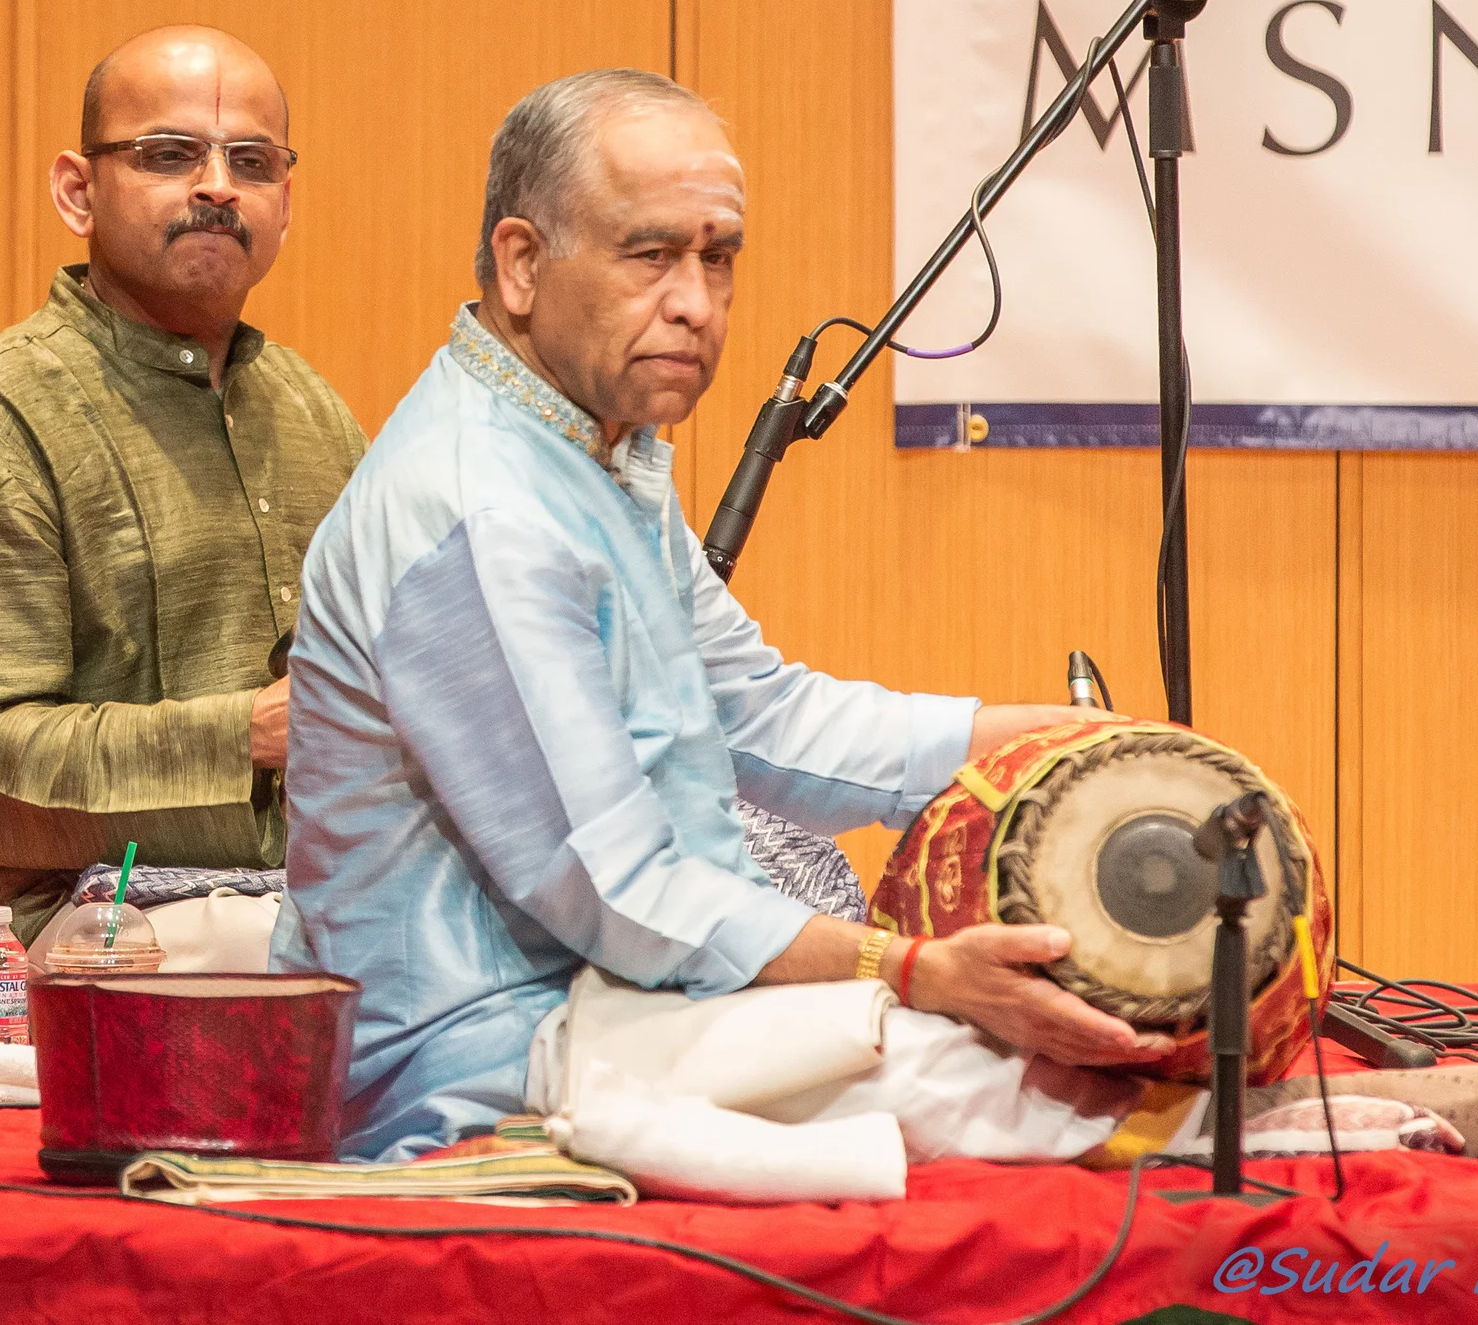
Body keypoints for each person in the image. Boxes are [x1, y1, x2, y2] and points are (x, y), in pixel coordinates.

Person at [273, 69, 1167, 1161]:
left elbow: (759, 715)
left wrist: (1052, 746)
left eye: (718, 257)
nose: (696, 303)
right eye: (650, 254)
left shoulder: (588, 446)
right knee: (1035, 1084)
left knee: (1066, 1061)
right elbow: (621, 892)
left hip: (626, 1008)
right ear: (522, 263)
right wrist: (908, 969)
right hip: (482, 1060)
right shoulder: (481, 508)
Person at [0, 26, 363, 950]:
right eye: (169, 154)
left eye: (251, 161)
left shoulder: (314, 412)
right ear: (77, 191)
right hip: (79, 926)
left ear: (285, 204)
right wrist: (246, 735)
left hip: (326, 904)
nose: (218, 186)